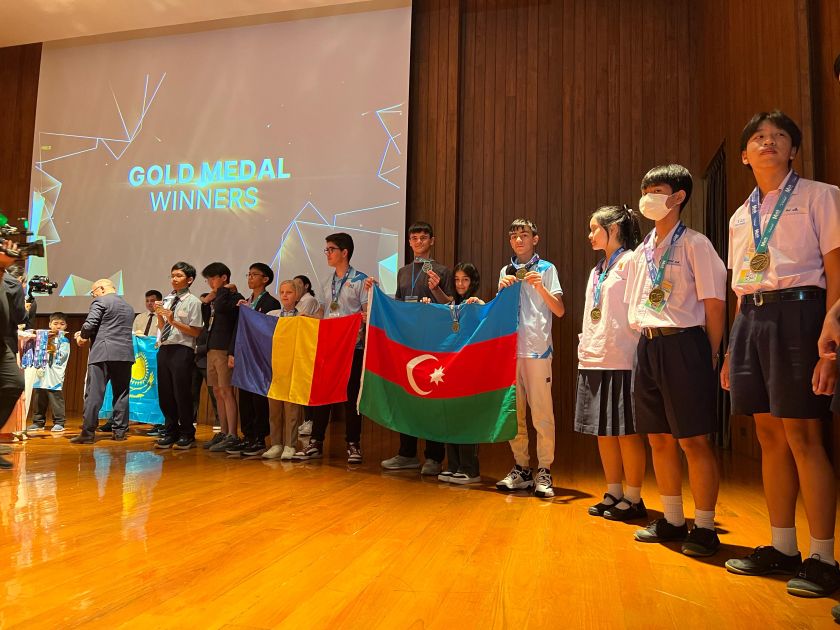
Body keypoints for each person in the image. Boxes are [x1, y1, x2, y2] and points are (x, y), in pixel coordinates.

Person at [721, 111, 840, 597]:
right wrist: (732, 348)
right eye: (758, 137)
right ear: (745, 156)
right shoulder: (738, 216)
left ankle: (823, 557)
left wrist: (832, 329)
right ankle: (783, 546)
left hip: (802, 313)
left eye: (779, 136)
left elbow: (835, 266)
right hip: (752, 318)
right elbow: (740, 286)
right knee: (769, 434)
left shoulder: (820, 195)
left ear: (793, 150)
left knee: (804, 435)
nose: (767, 142)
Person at [624, 164, 726, 557]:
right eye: (645, 190)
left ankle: (705, 527)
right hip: (648, 345)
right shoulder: (641, 252)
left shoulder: (696, 244)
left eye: (657, 190)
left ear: (678, 197)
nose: (647, 197)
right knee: (658, 438)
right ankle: (672, 518)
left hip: (685, 343)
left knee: (693, 440)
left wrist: (710, 354)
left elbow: (714, 305)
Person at [575, 206, 647, 521]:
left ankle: (634, 497)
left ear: (614, 228)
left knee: (626, 432)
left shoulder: (631, 261)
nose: (590, 235)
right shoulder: (598, 269)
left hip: (622, 356)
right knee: (603, 431)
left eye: (595, 228)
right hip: (594, 356)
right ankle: (613, 491)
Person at [494, 218, 565, 499]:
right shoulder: (506, 271)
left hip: (537, 350)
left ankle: (544, 469)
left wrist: (540, 287)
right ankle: (522, 468)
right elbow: (498, 311)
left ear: (535, 239)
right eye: (514, 236)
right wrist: (501, 290)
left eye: (524, 235)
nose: (518, 240)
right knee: (516, 414)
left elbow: (559, 310)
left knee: (542, 413)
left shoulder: (547, 269)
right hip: (511, 351)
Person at [381, 221, 454, 475]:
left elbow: (449, 306)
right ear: (409, 242)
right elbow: (398, 305)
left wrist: (436, 291)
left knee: (432, 399)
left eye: (423, 237)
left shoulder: (442, 271)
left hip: (433, 342)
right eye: (414, 238)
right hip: (408, 342)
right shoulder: (402, 272)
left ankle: (434, 457)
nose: (418, 242)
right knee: (407, 398)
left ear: (432, 241)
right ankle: (407, 453)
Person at [293, 232, 368, 464]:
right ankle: (316, 441)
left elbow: (367, 313)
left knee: (351, 397)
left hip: (352, 347)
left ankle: (353, 444)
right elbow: (323, 313)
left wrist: (360, 323)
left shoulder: (361, 280)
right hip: (329, 347)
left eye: (331, 249)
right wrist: (307, 319)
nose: (327, 253)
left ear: (344, 252)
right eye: (326, 249)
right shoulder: (327, 282)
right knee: (322, 393)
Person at [70, 279, 135, 443]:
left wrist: (82, 337)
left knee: (94, 394)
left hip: (103, 353)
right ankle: (119, 432)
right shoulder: (129, 307)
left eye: (93, 292)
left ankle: (88, 433)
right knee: (122, 394)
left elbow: (90, 324)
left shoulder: (101, 301)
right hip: (125, 355)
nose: (93, 296)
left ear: (102, 289)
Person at [437, 262, 484, 484]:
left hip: (470, 370)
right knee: (451, 418)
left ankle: (470, 469)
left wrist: (480, 305)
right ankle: (453, 465)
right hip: (451, 369)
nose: (460, 284)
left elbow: (488, 317)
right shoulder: (452, 305)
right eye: (457, 280)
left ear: (473, 281)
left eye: (465, 279)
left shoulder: (476, 304)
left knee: (467, 419)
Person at [228, 262, 281, 457]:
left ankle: (259, 438)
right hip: (243, 354)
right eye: (248, 274)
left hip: (259, 356)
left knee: (258, 397)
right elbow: (238, 328)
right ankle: (248, 435)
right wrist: (232, 352)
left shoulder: (271, 303)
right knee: (244, 397)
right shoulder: (245, 302)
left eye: (254, 274)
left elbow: (267, 331)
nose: (250, 278)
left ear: (265, 279)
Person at [154, 262, 203, 449]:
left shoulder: (193, 302)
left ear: (189, 280)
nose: (174, 279)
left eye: (179, 276)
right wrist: (160, 315)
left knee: (182, 393)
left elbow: (196, 332)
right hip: (165, 348)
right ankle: (171, 430)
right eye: (172, 275)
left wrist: (173, 320)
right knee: (165, 393)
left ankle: (187, 432)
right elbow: (162, 328)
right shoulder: (167, 299)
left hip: (182, 350)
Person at [200, 262, 244, 452]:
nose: (210, 282)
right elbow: (206, 319)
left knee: (227, 391)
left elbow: (223, 310)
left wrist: (222, 291)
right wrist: (206, 301)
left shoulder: (234, 297)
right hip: (211, 347)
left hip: (225, 348)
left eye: (213, 278)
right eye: (208, 279)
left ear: (224, 277)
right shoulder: (215, 298)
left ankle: (232, 434)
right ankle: (223, 431)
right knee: (217, 392)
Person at [263, 279, 305, 460]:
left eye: (289, 292)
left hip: (293, 368)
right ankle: (276, 444)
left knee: (291, 409)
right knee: (274, 409)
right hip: (275, 367)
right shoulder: (272, 315)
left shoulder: (302, 317)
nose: (285, 296)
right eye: (282, 292)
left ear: (296, 295)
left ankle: (290, 444)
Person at [0, 240, 24, 468]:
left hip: (1, 342)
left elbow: (18, 315)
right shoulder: (10, 281)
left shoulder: (9, 280)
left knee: (14, 383)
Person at [27, 312, 71, 433]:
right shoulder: (42, 338)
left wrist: (52, 349)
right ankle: (38, 422)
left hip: (54, 372)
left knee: (55, 397)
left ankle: (59, 422)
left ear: (66, 326)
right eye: (55, 323)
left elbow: (63, 356)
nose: (58, 326)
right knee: (39, 396)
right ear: (50, 324)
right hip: (41, 371)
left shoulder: (64, 340)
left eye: (62, 324)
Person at [293, 275, 318, 437]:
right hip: (300, 348)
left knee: (308, 386)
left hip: (308, 348)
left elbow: (299, 323)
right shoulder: (298, 302)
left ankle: (311, 420)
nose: (294, 287)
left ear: (306, 286)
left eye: (298, 284)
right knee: (303, 387)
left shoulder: (308, 300)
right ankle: (308, 419)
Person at [194, 294, 220, 443]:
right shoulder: (196, 322)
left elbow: (212, 343)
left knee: (214, 393)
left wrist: (197, 349)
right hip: (193, 361)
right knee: (192, 392)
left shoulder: (213, 322)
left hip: (207, 360)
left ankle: (219, 419)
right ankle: (192, 418)